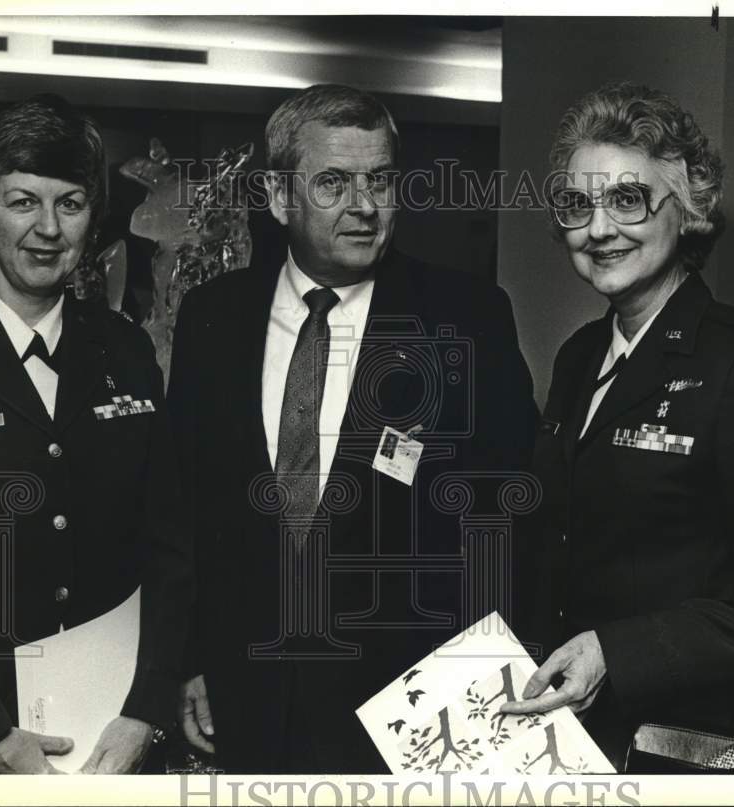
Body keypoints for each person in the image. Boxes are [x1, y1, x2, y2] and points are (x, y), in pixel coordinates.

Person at [167, 83, 538, 773]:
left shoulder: (466, 318)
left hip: (411, 712)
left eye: (381, 181)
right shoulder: (211, 319)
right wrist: (187, 662)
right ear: (280, 198)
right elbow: (184, 513)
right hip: (244, 701)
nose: (365, 206)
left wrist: (477, 692)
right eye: (334, 182)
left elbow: (513, 518)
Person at [500, 83, 734, 768]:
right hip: (565, 739)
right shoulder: (578, 357)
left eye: (628, 199)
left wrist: (615, 655)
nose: (598, 229)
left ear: (687, 212)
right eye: (578, 203)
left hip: (685, 747)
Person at [0, 94, 192, 774]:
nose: (47, 228)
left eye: (69, 203)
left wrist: (148, 711)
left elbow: (173, 545)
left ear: (93, 218)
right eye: (22, 201)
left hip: (115, 737)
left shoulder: (125, 350)